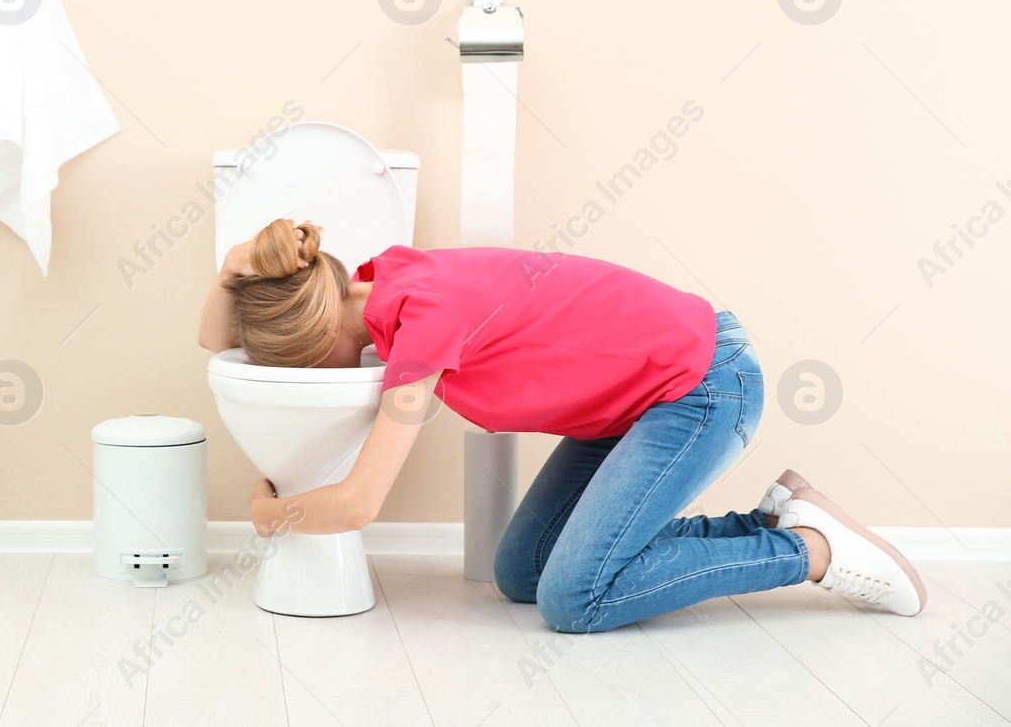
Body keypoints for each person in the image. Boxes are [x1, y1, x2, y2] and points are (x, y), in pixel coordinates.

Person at [197, 218, 926, 632]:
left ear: (319, 337)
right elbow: (210, 340)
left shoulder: (419, 323)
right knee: (521, 573)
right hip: (631, 404)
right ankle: (769, 518)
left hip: (703, 384)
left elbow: (359, 504)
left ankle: (810, 548)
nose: (309, 379)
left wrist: (269, 514)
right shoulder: (378, 281)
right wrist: (233, 271)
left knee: (574, 599)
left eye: (298, 365)